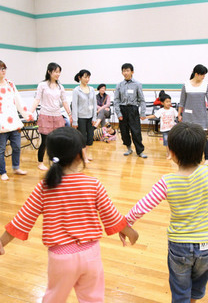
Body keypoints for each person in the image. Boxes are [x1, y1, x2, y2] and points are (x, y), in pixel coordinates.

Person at [0, 126, 139, 303]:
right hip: (91, 255)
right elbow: (111, 215)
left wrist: (1, 242)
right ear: (79, 154)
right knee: (93, 298)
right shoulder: (93, 184)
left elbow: (22, 220)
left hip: (61, 258)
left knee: (54, 298)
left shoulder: (44, 187)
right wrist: (130, 232)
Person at [124, 122, 208, 303]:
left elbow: (142, 207)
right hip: (206, 245)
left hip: (180, 246)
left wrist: (125, 224)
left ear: (172, 153)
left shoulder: (166, 182)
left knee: (180, 291)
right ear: (201, 151)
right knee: (196, 288)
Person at [30, 62, 72, 171]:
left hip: (57, 116)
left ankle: (55, 161)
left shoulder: (60, 87)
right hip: (45, 115)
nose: (58, 74)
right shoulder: (42, 85)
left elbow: (64, 101)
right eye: (55, 72)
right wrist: (30, 112)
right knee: (45, 141)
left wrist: (69, 114)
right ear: (49, 72)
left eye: (59, 72)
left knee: (56, 141)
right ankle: (40, 163)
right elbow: (37, 100)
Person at [178, 64, 208, 165]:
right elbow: (182, 102)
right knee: (187, 137)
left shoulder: (206, 85)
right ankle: (188, 158)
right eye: (202, 75)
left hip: (201, 115)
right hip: (188, 115)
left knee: (202, 137)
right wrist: (179, 114)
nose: (204, 77)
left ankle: (207, 158)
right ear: (196, 74)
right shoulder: (186, 85)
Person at [0, 60, 33, 181]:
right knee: (1, 150)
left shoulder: (10, 84)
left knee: (17, 147)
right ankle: (2, 171)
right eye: (0, 69)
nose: (3, 71)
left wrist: (27, 114)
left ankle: (16, 167)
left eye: (4, 68)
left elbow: (18, 100)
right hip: (2, 125)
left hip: (14, 122)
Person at [114, 63, 147, 158]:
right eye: (124, 71)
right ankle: (128, 148)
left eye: (127, 70)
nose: (125, 73)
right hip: (122, 109)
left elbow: (142, 100)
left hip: (133, 109)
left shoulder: (137, 84)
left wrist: (142, 112)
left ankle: (140, 151)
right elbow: (116, 100)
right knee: (124, 132)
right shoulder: (119, 85)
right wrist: (118, 113)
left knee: (136, 131)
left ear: (132, 72)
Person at [72, 69, 97, 163]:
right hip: (81, 117)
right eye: (85, 77)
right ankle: (84, 156)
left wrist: (94, 117)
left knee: (90, 137)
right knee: (83, 138)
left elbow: (94, 104)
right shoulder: (76, 90)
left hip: (90, 117)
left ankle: (84, 154)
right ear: (80, 78)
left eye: (88, 77)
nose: (87, 79)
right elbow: (74, 106)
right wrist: (75, 121)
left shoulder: (92, 89)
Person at [146, 93, 178, 159]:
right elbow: (154, 116)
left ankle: (172, 153)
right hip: (164, 129)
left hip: (172, 129)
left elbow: (178, 116)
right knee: (166, 142)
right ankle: (169, 153)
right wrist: (145, 117)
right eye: (167, 102)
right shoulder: (161, 111)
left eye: (169, 101)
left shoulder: (173, 110)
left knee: (172, 142)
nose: (169, 103)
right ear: (162, 103)